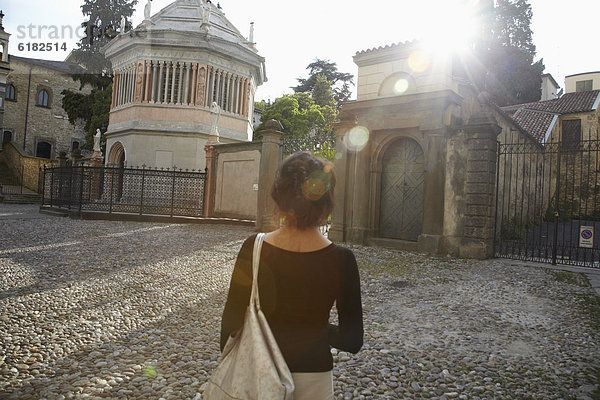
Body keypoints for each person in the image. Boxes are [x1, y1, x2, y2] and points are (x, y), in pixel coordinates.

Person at [220, 152, 364, 399]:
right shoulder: (342, 259)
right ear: (327, 201)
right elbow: (352, 340)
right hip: (314, 375)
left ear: (278, 196)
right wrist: (316, 328)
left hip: (257, 373)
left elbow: (230, 325)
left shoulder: (253, 247)